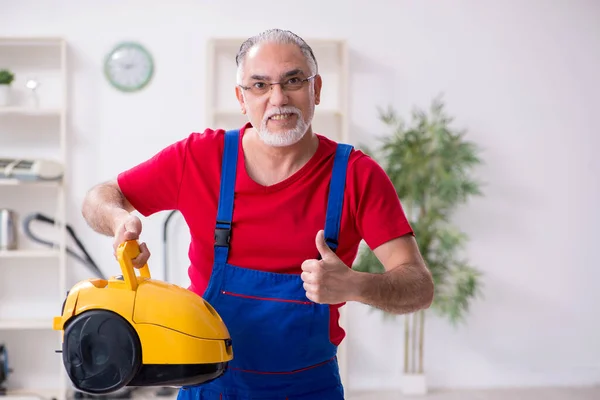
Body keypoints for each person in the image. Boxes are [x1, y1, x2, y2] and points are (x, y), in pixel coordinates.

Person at [81, 28, 434, 400]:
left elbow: (419, 287)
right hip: (208, 385)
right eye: (260, 85)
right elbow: (98, 198)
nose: (278, 98)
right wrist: (122, 221)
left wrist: (355, 285)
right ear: (241, 98)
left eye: (293, 80)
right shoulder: (200, 158)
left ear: (316, 89)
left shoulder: (357, 176)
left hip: (309, 389)